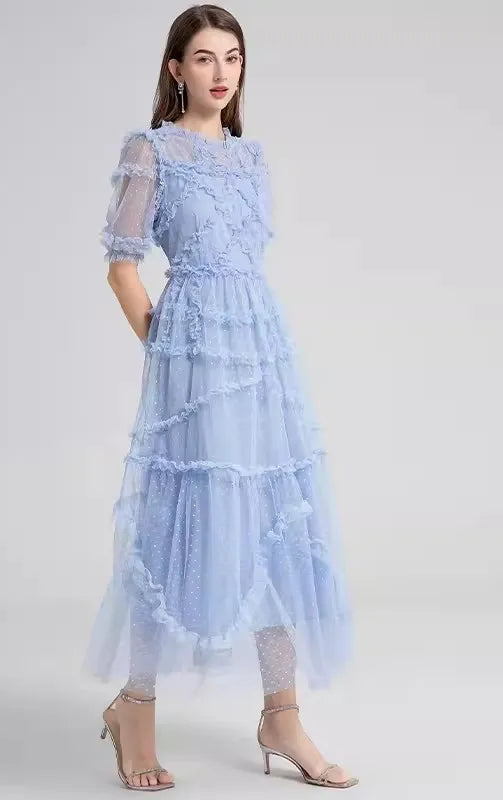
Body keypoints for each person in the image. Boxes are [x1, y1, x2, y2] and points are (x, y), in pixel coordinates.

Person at [82, 4, 359, 791]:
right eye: (204, 57)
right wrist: (170, 350)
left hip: (261, 354)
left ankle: (283, 714)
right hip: (194, 367)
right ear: (176, 69)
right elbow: (122, 266)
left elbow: (246, 264)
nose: (220, 72)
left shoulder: (251, 159)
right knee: (174, 525)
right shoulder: (152, 151)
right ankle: (136, 708)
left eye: (231, 57)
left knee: (276, 520)